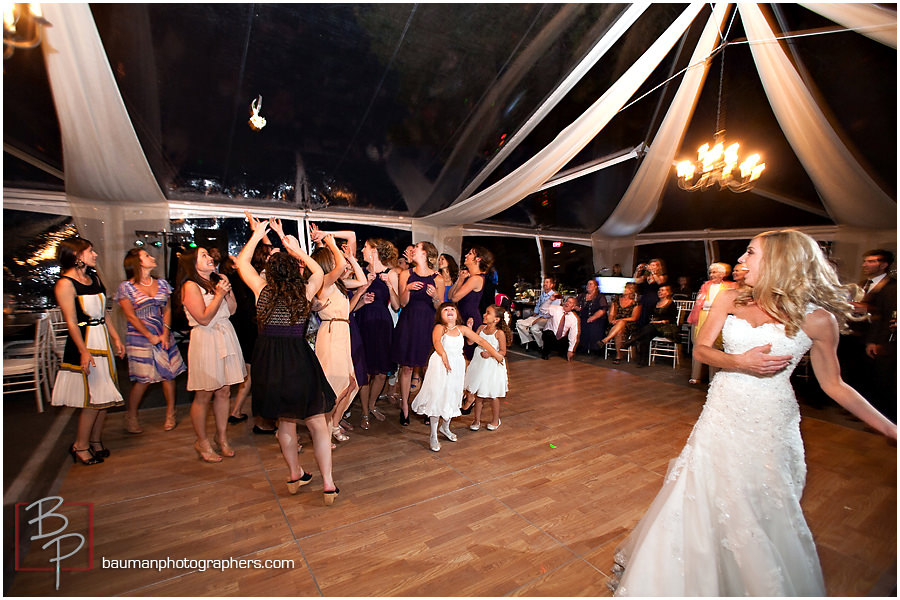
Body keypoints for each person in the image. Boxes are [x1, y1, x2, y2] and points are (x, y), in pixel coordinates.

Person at [609, 229, 897, 596]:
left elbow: (835, 385)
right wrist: (738, 362)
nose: (742, 261)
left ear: (779, 262)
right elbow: (701, 350)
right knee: (702, 496)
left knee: (759, 508)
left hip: (771, 423)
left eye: (750, 253)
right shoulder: (731, 298)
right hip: (721, 413)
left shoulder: (818, 320)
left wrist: (890, 429)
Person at [237, 214, 340, 505]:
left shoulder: (262, 290)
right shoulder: (304, 291)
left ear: (269, 272)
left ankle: (295, 475)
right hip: (297, 358)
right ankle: (328, 485)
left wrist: (257, 234)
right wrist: (296, 251)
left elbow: (242, 263)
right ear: (294, 271)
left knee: (285, 422)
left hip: (268, 361)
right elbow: (318, 271)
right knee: (317, 423)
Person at [51, 237, 126, 465]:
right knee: (92, 398)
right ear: (77, 256)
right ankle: (80, 446)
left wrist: (115, 338)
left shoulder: (93, 277)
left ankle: (95, 440)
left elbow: (105, 313)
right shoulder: (65, 284)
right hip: (86, 342)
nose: (95, 255)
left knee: (105, 394)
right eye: (90, 251)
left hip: (101, 338)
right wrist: (83, 351)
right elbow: (71, 322)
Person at [178, 246, 246, 463]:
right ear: (192, 263)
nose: (210, 258)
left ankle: (222, 437)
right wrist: (219, 294)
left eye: (209, 254)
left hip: (226, 334)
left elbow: (233, 310)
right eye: (204, 255)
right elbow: (203, 318)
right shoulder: (190, 286)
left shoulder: (219, 280)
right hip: (206, 338)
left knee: (225, 390)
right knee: (204, 393)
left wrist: (228, 291)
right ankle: (202, 441)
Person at [410, 302, 504, 451]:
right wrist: (444, 355)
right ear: (440, 315)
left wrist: (496, 354)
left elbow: (481, 341)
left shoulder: (462, 329)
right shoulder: (440, 328)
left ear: (457, 314)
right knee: (438, 397)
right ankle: (433, 435)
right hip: (440, 365)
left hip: (457, 366)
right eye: (445, 309)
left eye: (452, 309)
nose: (449, 311)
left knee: (453, 396)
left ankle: (445, 427)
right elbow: (436, 342)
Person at [115, 248, 185, 433]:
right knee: (143, 378)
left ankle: (171, 412)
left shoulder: (161, 284)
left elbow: (167, 309)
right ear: (137, 263)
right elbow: (131, 316)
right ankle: (132, 415)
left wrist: (164, 332)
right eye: (147, 256)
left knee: (168, 374)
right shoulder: (126, 288)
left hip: (162, 332)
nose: (152, 257)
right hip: (140, 336)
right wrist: (149, 335)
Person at [307, 229, 367, 444]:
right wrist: (331, 244)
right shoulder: (323, 282)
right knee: (335, 386)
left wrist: (351, 257)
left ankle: (333, 424)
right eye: (333, 259)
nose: (337, 261)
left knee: (352, 384)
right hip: (331, 334)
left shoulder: (338, 285)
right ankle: (322, 432)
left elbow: (361, 280)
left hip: (343, 333)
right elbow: (340, 268)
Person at [390, 241, 444, 426]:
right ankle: (404, 406)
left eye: (417, 248)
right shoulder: (406, 274)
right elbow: (402, 303)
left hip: (428, 324)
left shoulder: (438, 279)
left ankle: (428, 406)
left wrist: (435, 296)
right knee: (406, 367)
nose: (412, 250)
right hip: (409, 323)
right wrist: (407, 289)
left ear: (426, 253)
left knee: (428, 368)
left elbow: (440, 308)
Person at [354, 238, 400, 429]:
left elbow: (397, 306)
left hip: (382, 324)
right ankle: (364, 412)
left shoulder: (392, 274)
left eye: (365, 247)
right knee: (364, 371)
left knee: (381, 372)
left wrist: (389, 285)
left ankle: (372, 405)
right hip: (362, 321)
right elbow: (352, 305)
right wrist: (362, 297)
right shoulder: (360, 272)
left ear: (374, 251)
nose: (362, 250)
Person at [686, 262, 736, 384]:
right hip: (702, 316)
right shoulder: (705, 286)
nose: (712, 275)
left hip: (718, 318)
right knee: (698, 345)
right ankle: (695, 375)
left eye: (715, 272)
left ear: (723, 273)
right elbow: (699, 303)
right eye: (711, 272)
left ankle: (713, 378)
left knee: (714, 349)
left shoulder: (730, 287)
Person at [463, 305, 511, 431]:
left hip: (491, 365)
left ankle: (495, 420)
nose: (484, 314)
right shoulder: (481, 328)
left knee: (493, 394)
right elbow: (470, 342)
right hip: (479, 364)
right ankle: (476, 420)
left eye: (488, 313)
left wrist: (490, 353)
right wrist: (469, 329)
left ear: (496, 319)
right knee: (479, 394)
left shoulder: (499, 333)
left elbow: (503, 351)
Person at [449, 246, 493, 361]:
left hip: (470, 318)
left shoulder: (476, 279)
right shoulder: (472, 277)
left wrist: (462, 280)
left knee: (468, 356)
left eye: (470, 254)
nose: (466, 256)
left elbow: (454, 298)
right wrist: (460, 279)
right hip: (463, 316)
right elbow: (450, 296)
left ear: (478, 259)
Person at [623, 284, 678, 366]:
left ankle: (633, 339)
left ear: (668, 293)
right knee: (646, 335)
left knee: (650, 328)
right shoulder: (656, 303)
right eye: (659, 290)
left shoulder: (671, 304)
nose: (660, 292)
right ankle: (643, 360)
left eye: (663, 290)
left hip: (667, 327)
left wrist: (659, 322)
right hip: (654, 327)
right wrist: (654, 321)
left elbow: (672, 319)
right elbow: (651, 316)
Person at [516, 276, 560, 352]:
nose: (545, 284)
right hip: (538, 316)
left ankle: (541, 345)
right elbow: (538, 304)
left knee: (534, 329)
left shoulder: (555, 296)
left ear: (552, 285)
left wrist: (541, 318)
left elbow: (554, 311)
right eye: (544, 282)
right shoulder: (543, 294)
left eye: (547, 282)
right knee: (519, 323)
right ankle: (529, 340)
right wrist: (535, 313)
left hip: (547, 318)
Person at [600, 282, 641, 364]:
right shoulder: (616, 301)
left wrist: (620, 320)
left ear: (631, 291)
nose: (624, 289)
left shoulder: (635, 303)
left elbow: (634, 317)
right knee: (619, 331)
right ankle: (618, 355)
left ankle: (606, 341)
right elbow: (611, 314)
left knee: (621, 323)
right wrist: (611, 320)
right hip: (615, 325)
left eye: (627, 288)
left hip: (629, 325)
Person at [540, 296, 580, 361]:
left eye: (570, 302)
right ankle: (545, 353)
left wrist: (570, 350)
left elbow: (573, 334)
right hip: (550, 335)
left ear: (573, 307)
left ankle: (562, 351)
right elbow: (542, 309)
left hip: (561, 338)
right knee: (549, 333)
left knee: (567, 348)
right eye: (567, 301)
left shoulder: (574, 318)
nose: (567, 303)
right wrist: (549, 300)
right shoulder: (556, 308)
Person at [576, 278, 608, 354]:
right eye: (587, 284)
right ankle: (581, 347)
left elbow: (603, 309)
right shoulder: (581, 296)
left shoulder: (600, 297)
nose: (588, 286)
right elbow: (575, 304)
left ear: (595, 286)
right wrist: (576, 307)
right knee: (579, 324)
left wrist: (594, 317)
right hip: (582, 316)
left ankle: (595, 349)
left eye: (591, 284)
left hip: (597, 317)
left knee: (593, 325)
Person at [633, 259, 667, 328]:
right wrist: (638, 270)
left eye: (654, 265)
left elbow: (659, 282)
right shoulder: (646, 277)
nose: (651, 267)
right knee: (642, 317)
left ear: (658, 267)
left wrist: (653, 272)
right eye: (651, 265)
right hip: (645, 298)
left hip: (655, 299)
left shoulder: (662, 276)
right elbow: (635, 281)